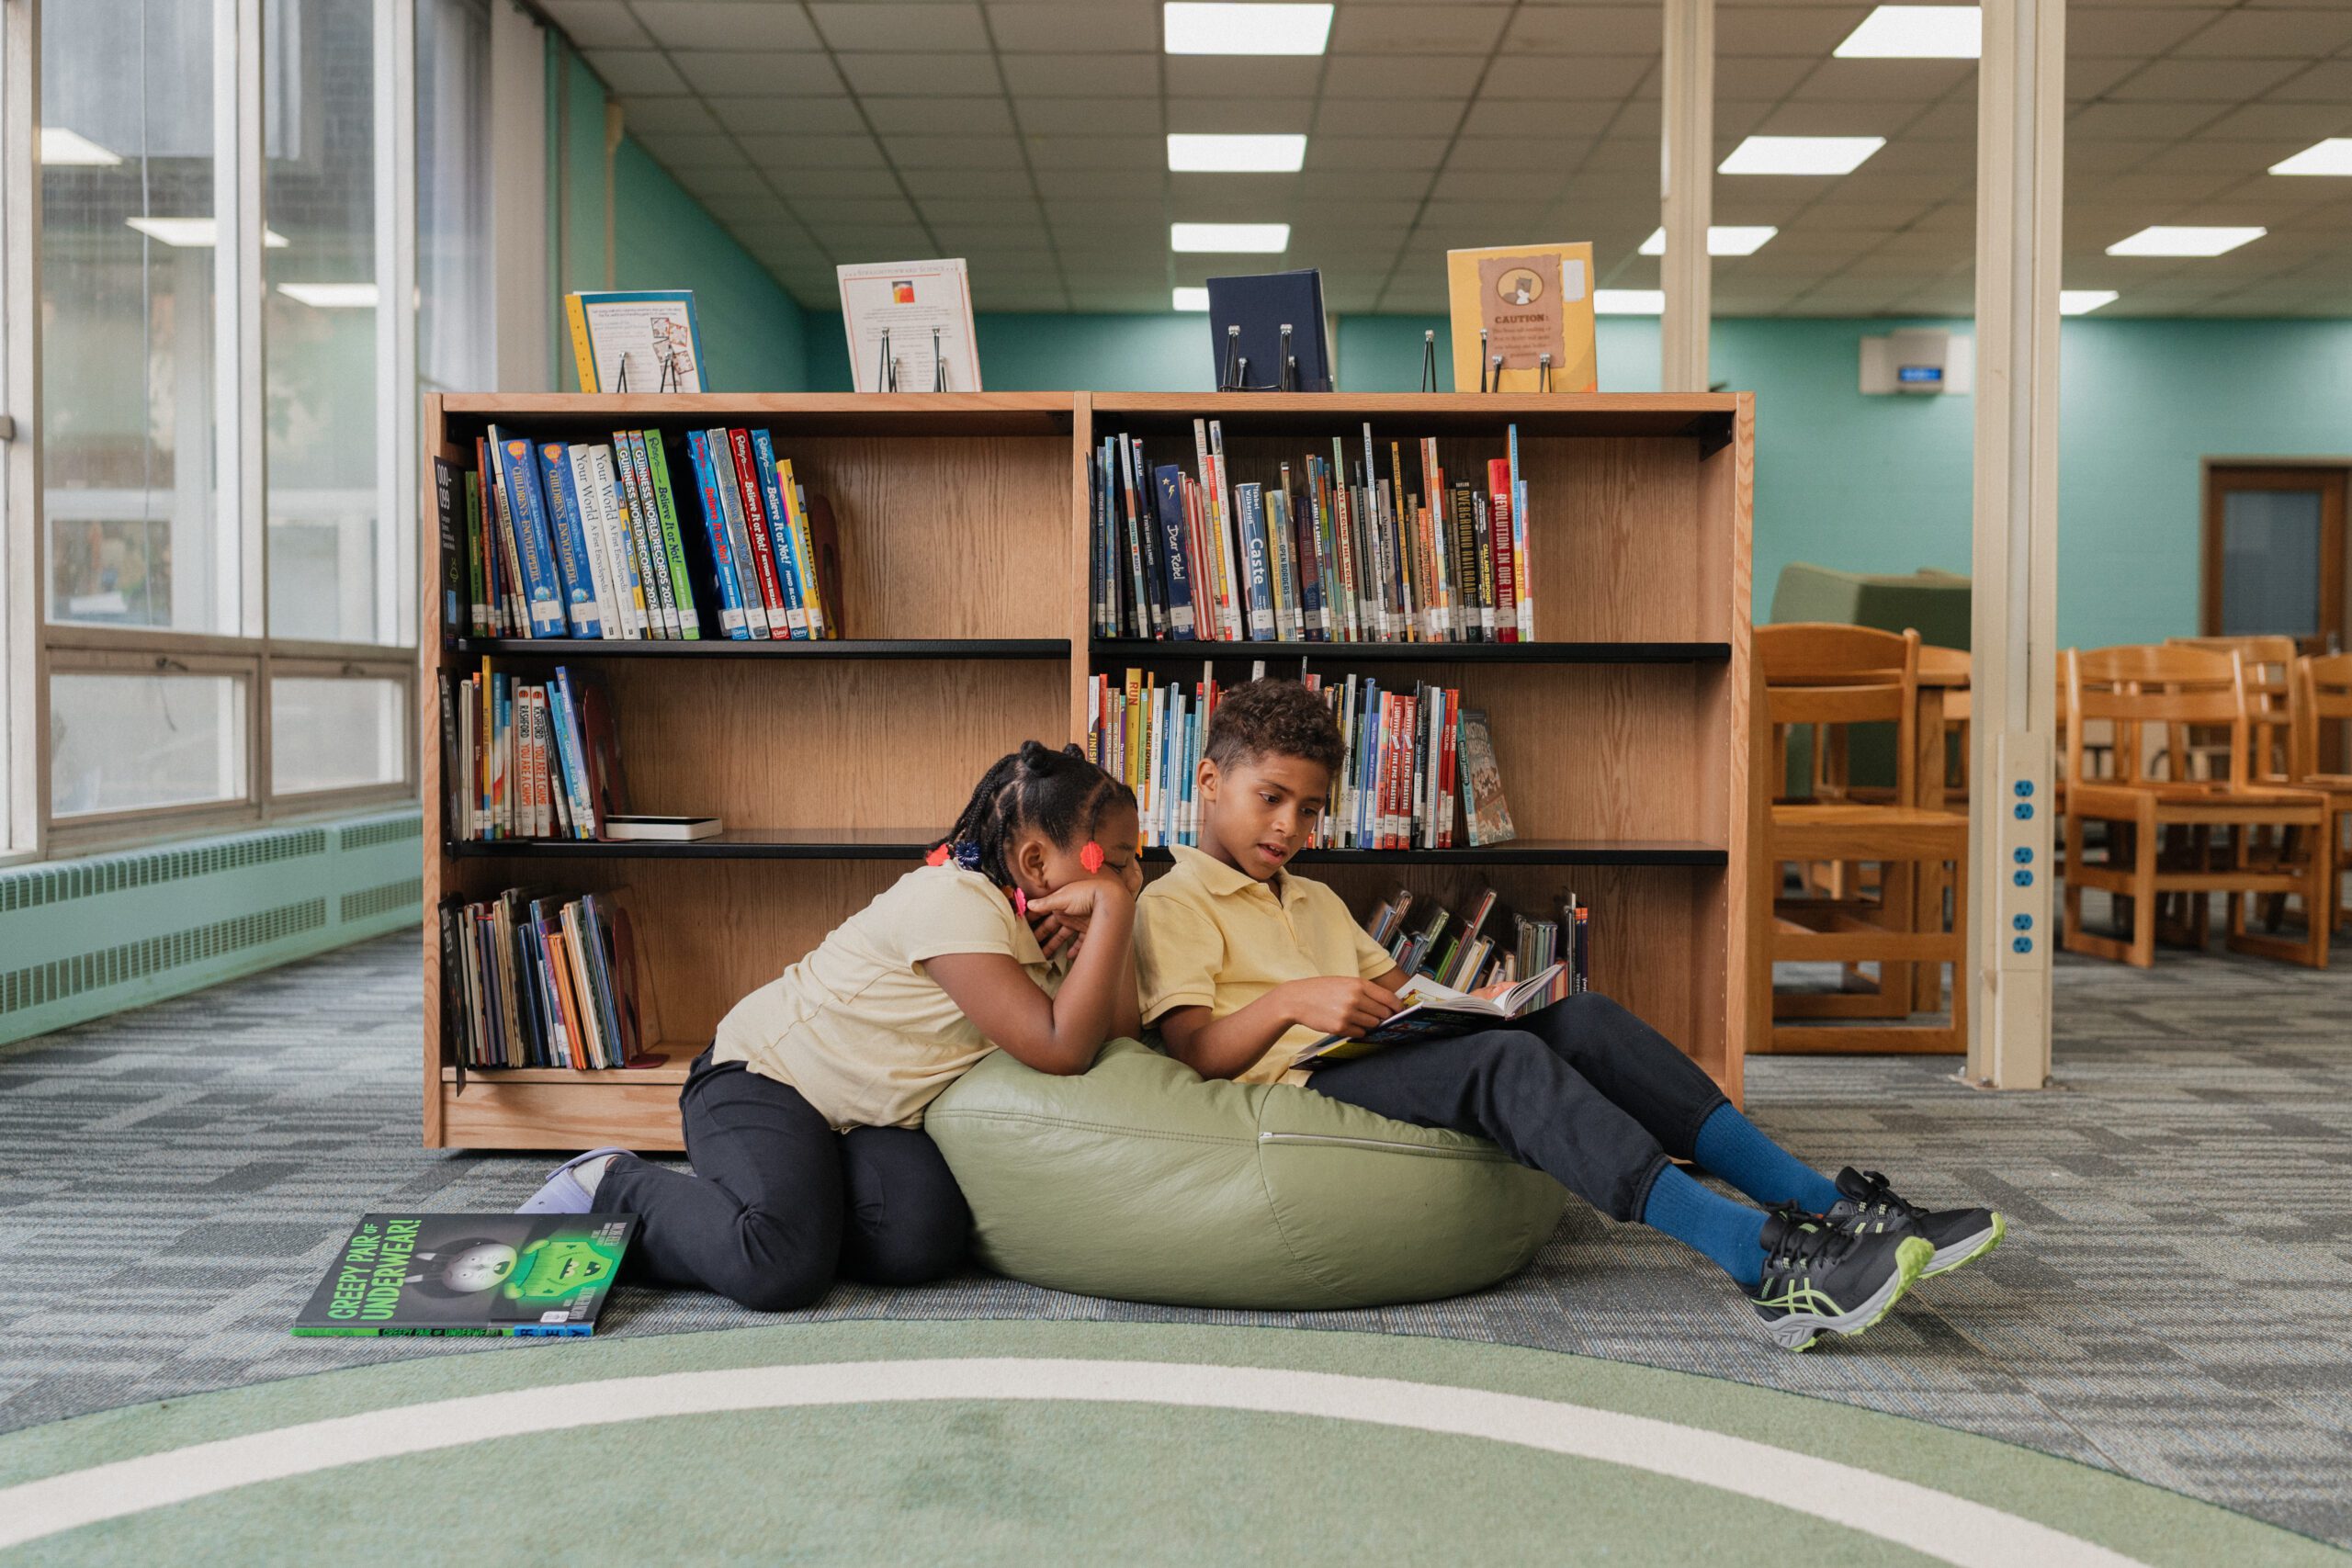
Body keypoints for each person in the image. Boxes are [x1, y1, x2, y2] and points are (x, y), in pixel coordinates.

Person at [1134, 680, 2003, 1351]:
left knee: (1580, 1020)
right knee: (1506, 1068)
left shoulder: (1312, 895)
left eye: (1311, 809)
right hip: (1305, 1079)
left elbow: (1395, 990)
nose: (1290, 825)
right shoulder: (1172, 900)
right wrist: (1293, 1000)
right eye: (1271, 798)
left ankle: (1828, 1205)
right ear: (1210, 781)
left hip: (1374, 1049)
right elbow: (1195, 1052)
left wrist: (1464, 1004)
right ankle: (1762, 1257)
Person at [519, 741, 1143, 1312]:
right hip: (761, 1077)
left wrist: (1115, 915)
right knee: (781, 1267)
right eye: (1116, 862)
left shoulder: (1057, 926)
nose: (1129, 876)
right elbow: (1061, 1049)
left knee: (919, 1236)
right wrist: (1113, 907)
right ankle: (612, 1186)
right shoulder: (954, 900)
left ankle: (777, 1208)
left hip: (855, 1119)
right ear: (1036, 859)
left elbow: (1117, 1038)